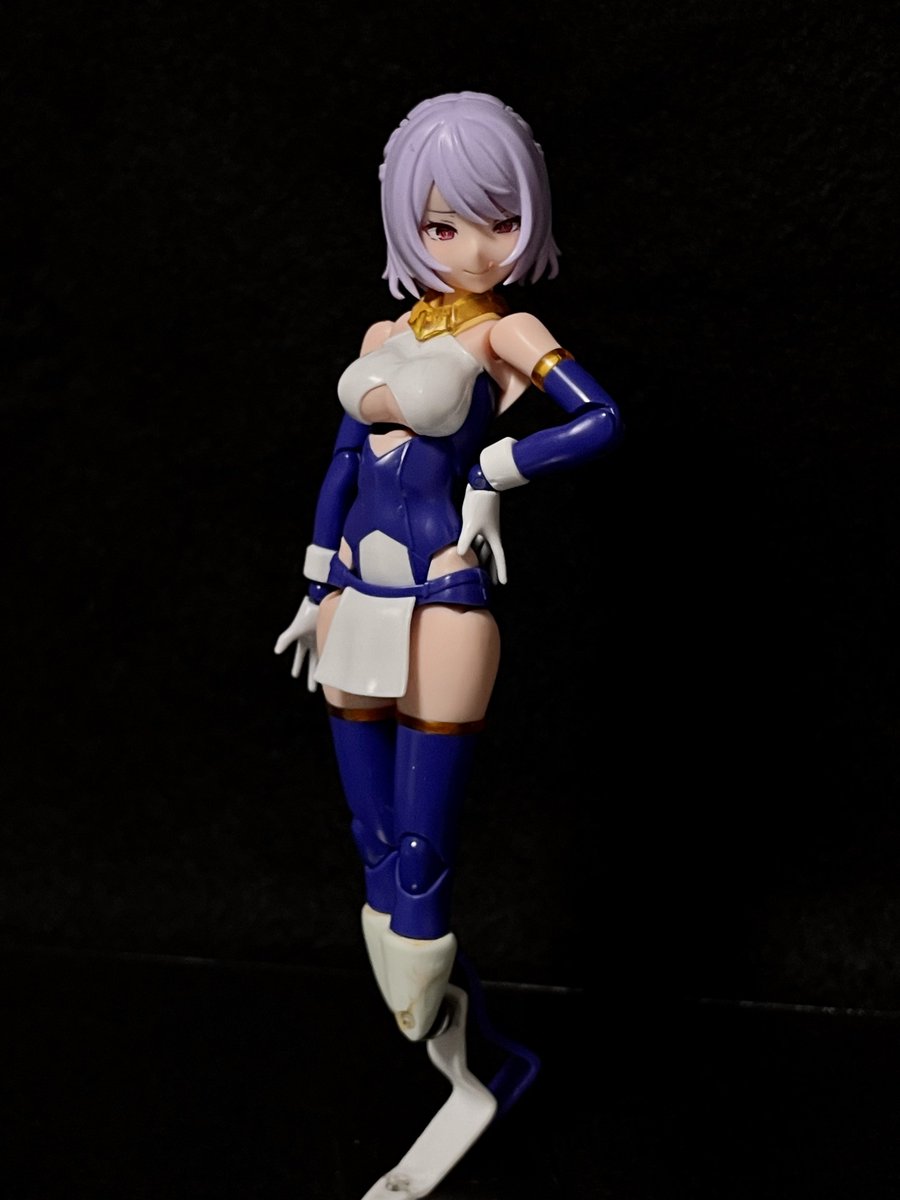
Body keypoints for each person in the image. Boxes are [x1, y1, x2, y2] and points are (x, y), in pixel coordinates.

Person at [275, 91, 622, 1196]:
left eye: (497, 220)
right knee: (374, 847)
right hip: (353, 602)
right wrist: (312, 585)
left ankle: (467, 1053)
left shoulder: (503, 332)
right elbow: (343, 463)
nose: (472, 247)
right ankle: (474, 1060)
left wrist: (495, 472)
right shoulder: (384, 334)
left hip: (442, 600)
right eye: (442, 224)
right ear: (407, 224)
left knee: (421, 861)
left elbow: (601, 419)